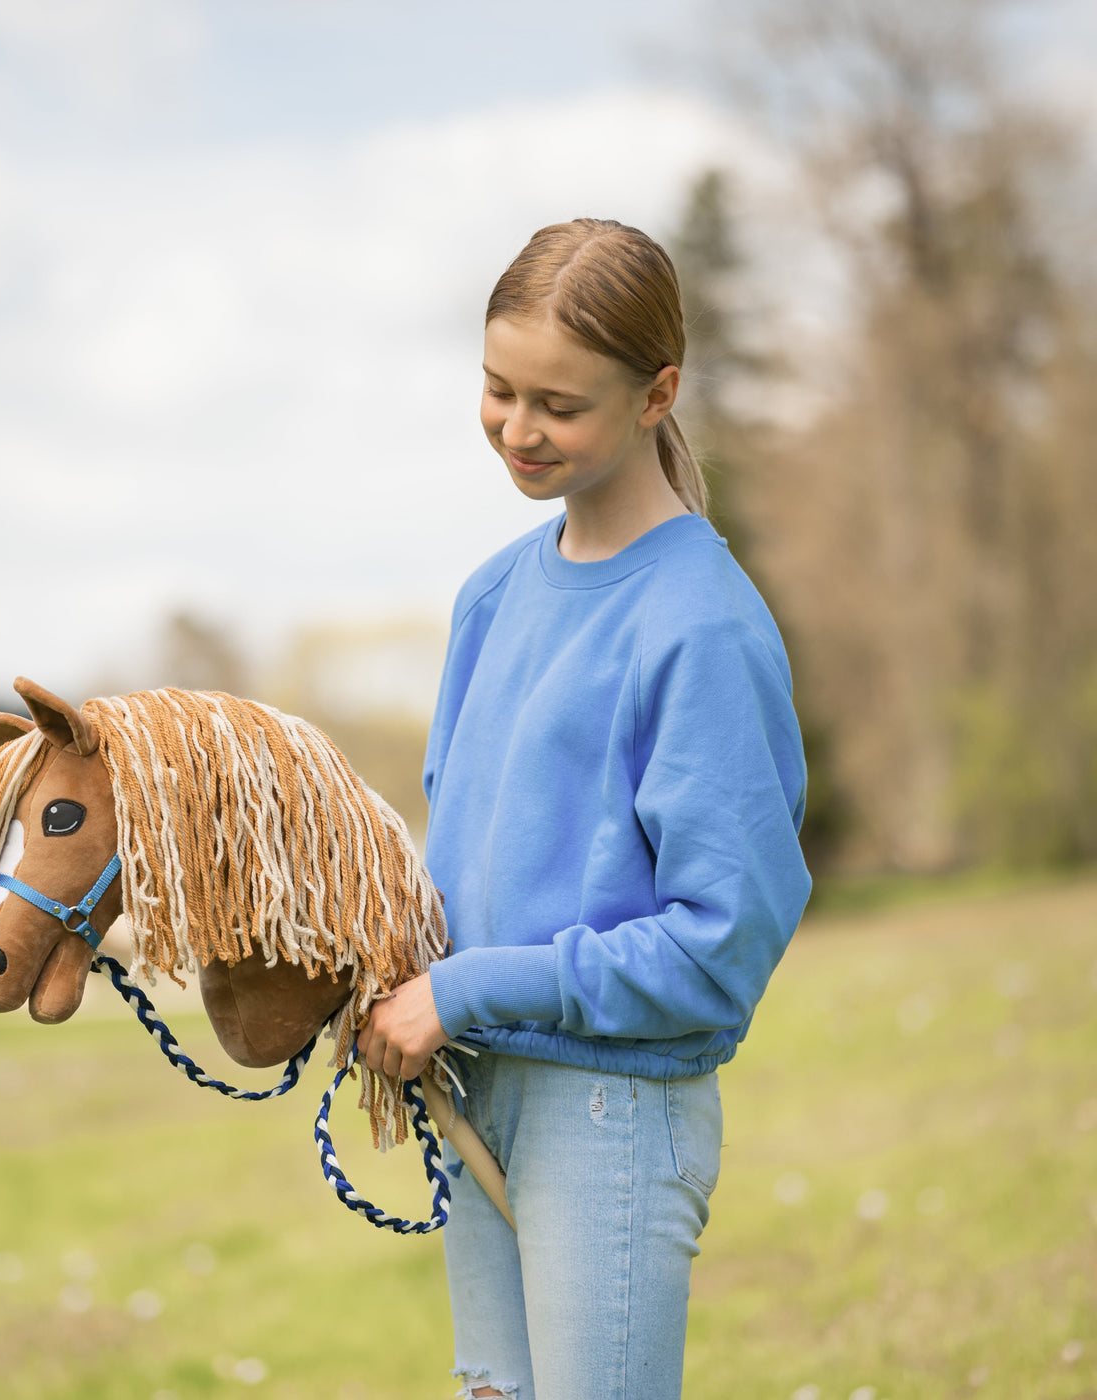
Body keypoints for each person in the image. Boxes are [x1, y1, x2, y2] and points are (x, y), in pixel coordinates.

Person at [356, 218, 812, 1400]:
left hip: (610, 1113)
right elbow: (456, 863)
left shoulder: (698, 622)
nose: (517, 428)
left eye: (558, 404)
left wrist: (464, 988)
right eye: (497, 389)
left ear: (657, 393)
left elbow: (718, 951)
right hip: (473, 1083)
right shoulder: (491, 597)